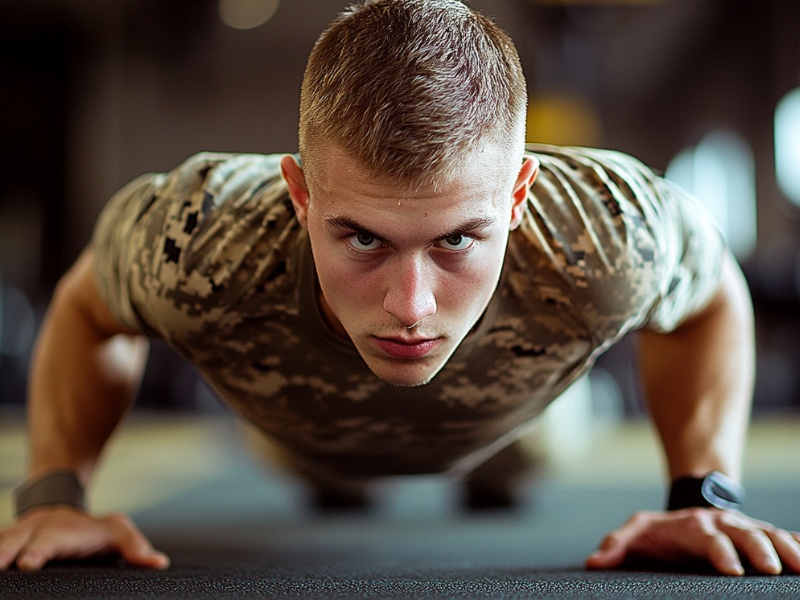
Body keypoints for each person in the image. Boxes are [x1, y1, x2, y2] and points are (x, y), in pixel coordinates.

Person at [1, 0, 799, 577]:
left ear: (518, 195)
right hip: (301, 440)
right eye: (362, 238)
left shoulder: (609, 230)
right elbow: (88, 308)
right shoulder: (196, 234)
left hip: (519, 433)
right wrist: (52, 497)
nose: (411, 307)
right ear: (301, 194)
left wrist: (708, 493)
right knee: (323, 477)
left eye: (457, 239)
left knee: (521, 464)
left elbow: (712, 295)